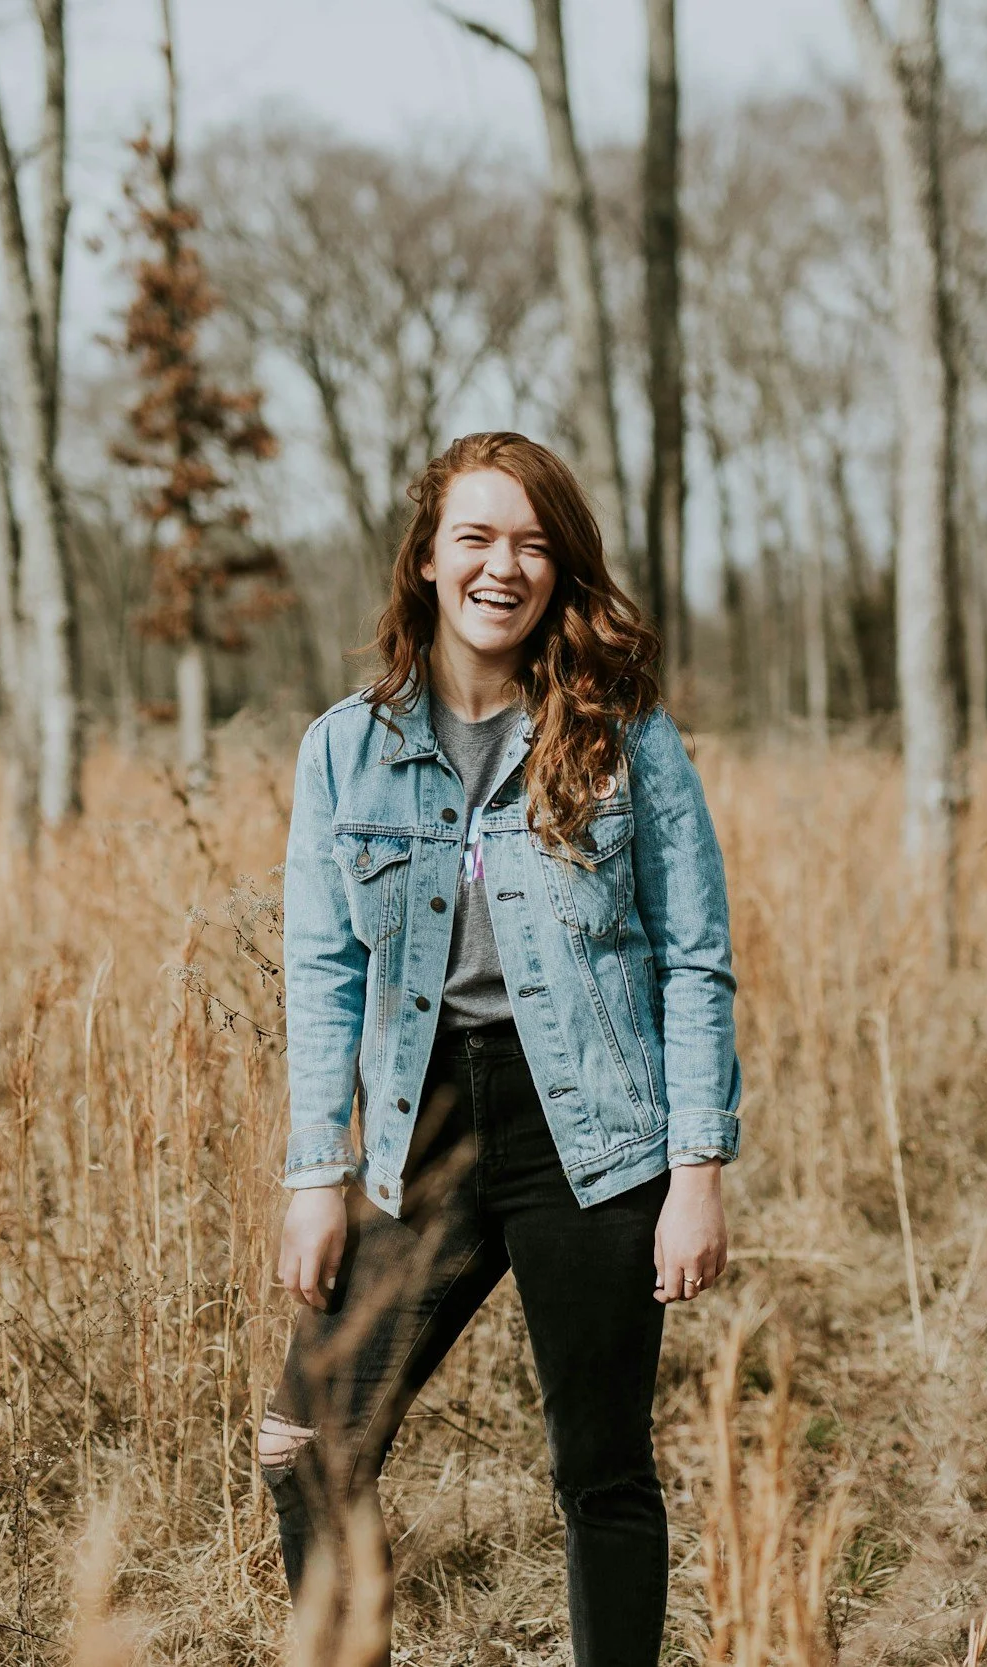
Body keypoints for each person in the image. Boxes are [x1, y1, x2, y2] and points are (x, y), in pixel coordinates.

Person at [260, 431, 740, 1662]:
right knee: (308, 1443)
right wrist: (314, 1174)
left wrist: (696, 1174)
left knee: (601, 1471)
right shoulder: (344, 749)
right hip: (420, 1125)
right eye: (475, 536)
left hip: (590, 1125)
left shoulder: (624, 734)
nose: (502, 566)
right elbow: (322, 972)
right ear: (427, 557)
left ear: (558, 569)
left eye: (532, 543)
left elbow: (694, 956)